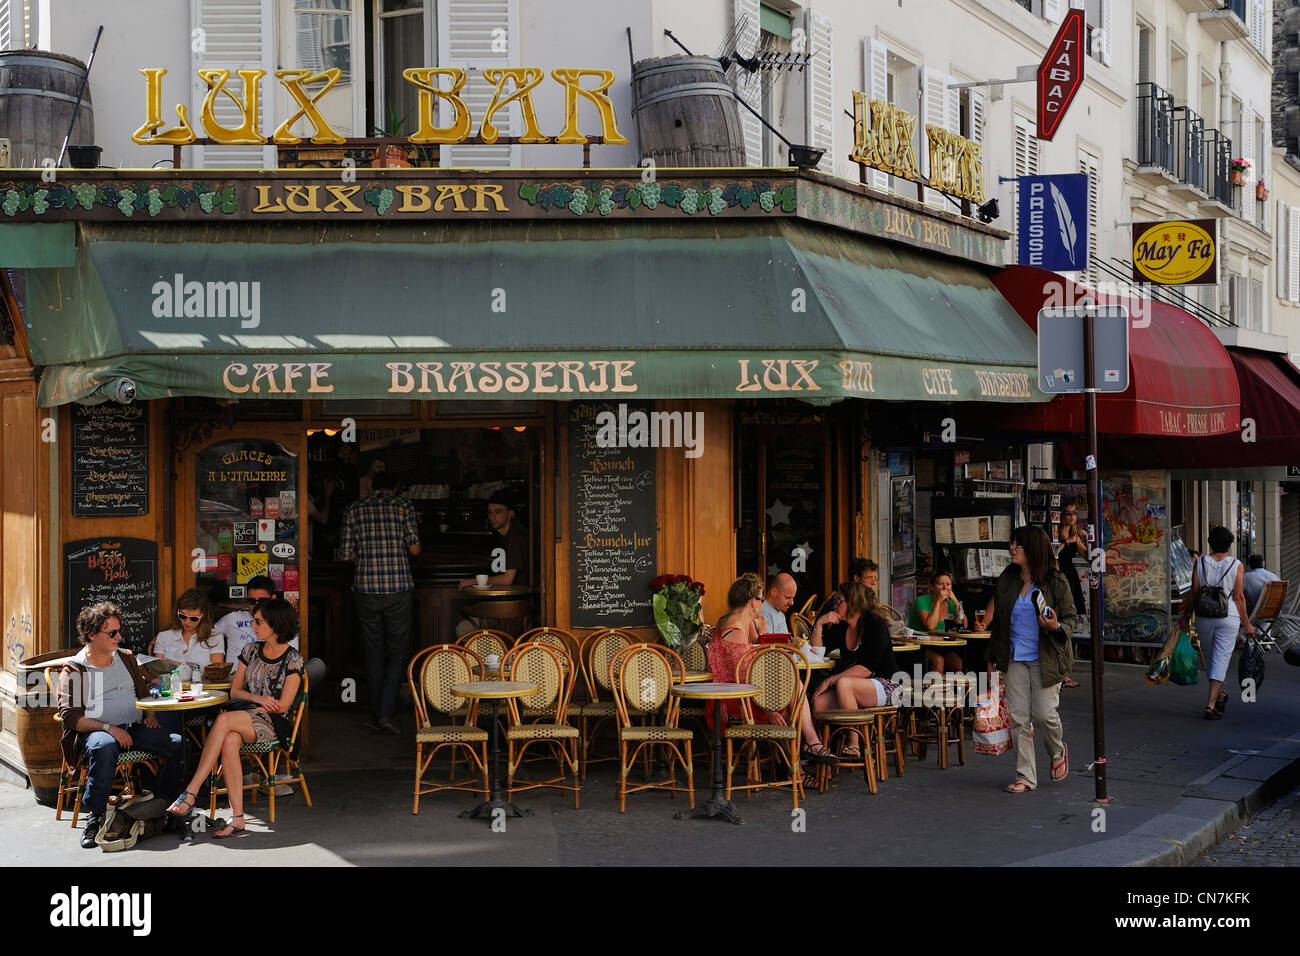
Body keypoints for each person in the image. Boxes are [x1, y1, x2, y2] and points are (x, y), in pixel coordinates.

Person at [167, 597, 304, 838]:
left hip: (273, 722)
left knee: (223, 721)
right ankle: (238, 817)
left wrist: (260, 706)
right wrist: (258, 698)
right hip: (247, 713)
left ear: (275, 625)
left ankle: (191, 791)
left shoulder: (293, 659)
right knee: (229, 738)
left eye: (259, 621)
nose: (253, 626)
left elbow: (282, 707)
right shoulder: (250, 650)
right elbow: (235, 691)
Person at [58, 602, 182, 849]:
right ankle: (96, 816)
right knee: (104, 748)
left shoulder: (126, 659)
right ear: (91, 635)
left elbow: (145, 694)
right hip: (96, 730)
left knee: (177, 743)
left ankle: (159, 806)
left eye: (119, 631)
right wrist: (108, 729)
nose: (119, 637)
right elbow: (71, 718)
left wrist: (149, 713)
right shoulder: (75, 668)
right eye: (112, 633)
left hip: (133, 727)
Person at [708, 573, 836, 783]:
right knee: (791, 701)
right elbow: (747, 681)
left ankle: (805, 755)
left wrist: (761, 630)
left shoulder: (732, 624)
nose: (762, 602)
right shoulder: (736, 633)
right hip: (733, 701)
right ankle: (802, 761)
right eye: (760, 598)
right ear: (752, 602)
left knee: (794, 688)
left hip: (736, 696)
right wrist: (770, 710)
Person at [984, 525, 1078, 793]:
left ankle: (1058, 751)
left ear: (1033, 549)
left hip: (1046, 658)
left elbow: (1071, 618)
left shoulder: (1055, 581)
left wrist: (1055, 626)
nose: (1012, 548)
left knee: (1044, 714)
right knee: (1019, 718)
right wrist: (992, 660)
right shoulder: (1008, 578)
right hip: (1014, 657)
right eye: (1012, 543)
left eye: (1018, 544)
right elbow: (1000, 623)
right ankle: (1025, 776)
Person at [337, 469, 420, 736]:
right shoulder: (403, 506)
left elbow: (346, 555)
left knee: (372, 651)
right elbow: (415, 549)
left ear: (373, 487)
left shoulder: (354, 509)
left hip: (366, 588)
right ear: (395, 487)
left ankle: (377, 713)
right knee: (397, 651)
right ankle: (386, 713)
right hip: (398, 588)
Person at [808, 582, 900, 757]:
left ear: (853, 603)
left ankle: (854, 744)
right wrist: (819, 624)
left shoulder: (875, 624)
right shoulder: (841, 626)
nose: (835, 605)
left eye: (839, 601)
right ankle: (823, 753)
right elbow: (817, 653)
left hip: (886, 684)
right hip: (854, 686)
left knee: (843, 683)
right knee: (818, 702)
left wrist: (830, 680)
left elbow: (867, 669)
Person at [1178, 527, 1255, 720]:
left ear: (1210, 542)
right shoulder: (1236, 564)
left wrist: (1186, 617)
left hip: (1204, 616)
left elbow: (1194, 593)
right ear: (1229, 544)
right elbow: (1238, 597)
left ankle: (1217, 696)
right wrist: (1247, 624)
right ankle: (1212, 704)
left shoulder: (1200, 562)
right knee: (1219, 659)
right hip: (1228, 616)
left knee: (1211, 658)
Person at [214, 576, 299, 663]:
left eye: (262, 601)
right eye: (252, 601)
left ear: (273, 599)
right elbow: (208, 633)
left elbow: (290, 659)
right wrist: (217, 658)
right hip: (235, 674)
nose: (256, 605)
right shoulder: (231, 619)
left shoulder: (283, 623)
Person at [458, 491, 529, 588]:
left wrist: (476, 581)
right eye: (489, 512)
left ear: (510, 514)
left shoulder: (515, 536)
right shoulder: (501, 535)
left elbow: (507, 579)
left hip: (522, 596)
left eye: (498, 512)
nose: (492, 517)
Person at [150, 588, 224, 670]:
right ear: (177, 612)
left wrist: (169, 662)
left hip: (202, 683)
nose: (187, 622)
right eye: (183, 616)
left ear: (203, 616)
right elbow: (158, 673)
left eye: (194, 618)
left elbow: (216, 672)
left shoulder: (214, 637)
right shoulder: (163, 637)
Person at [908, 571, 965, 674]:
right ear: (932, 587)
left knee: (957, 664)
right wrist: (938, 602)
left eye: (948, 584)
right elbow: (930, 626)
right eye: (940, 584)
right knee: (938, 661)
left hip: (942, 645)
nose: (944, 587)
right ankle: (935, 690)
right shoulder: (922, 601)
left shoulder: (951, 604)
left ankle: (951, 690)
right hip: (920, 646)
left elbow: (964, 625)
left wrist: (956, 602)